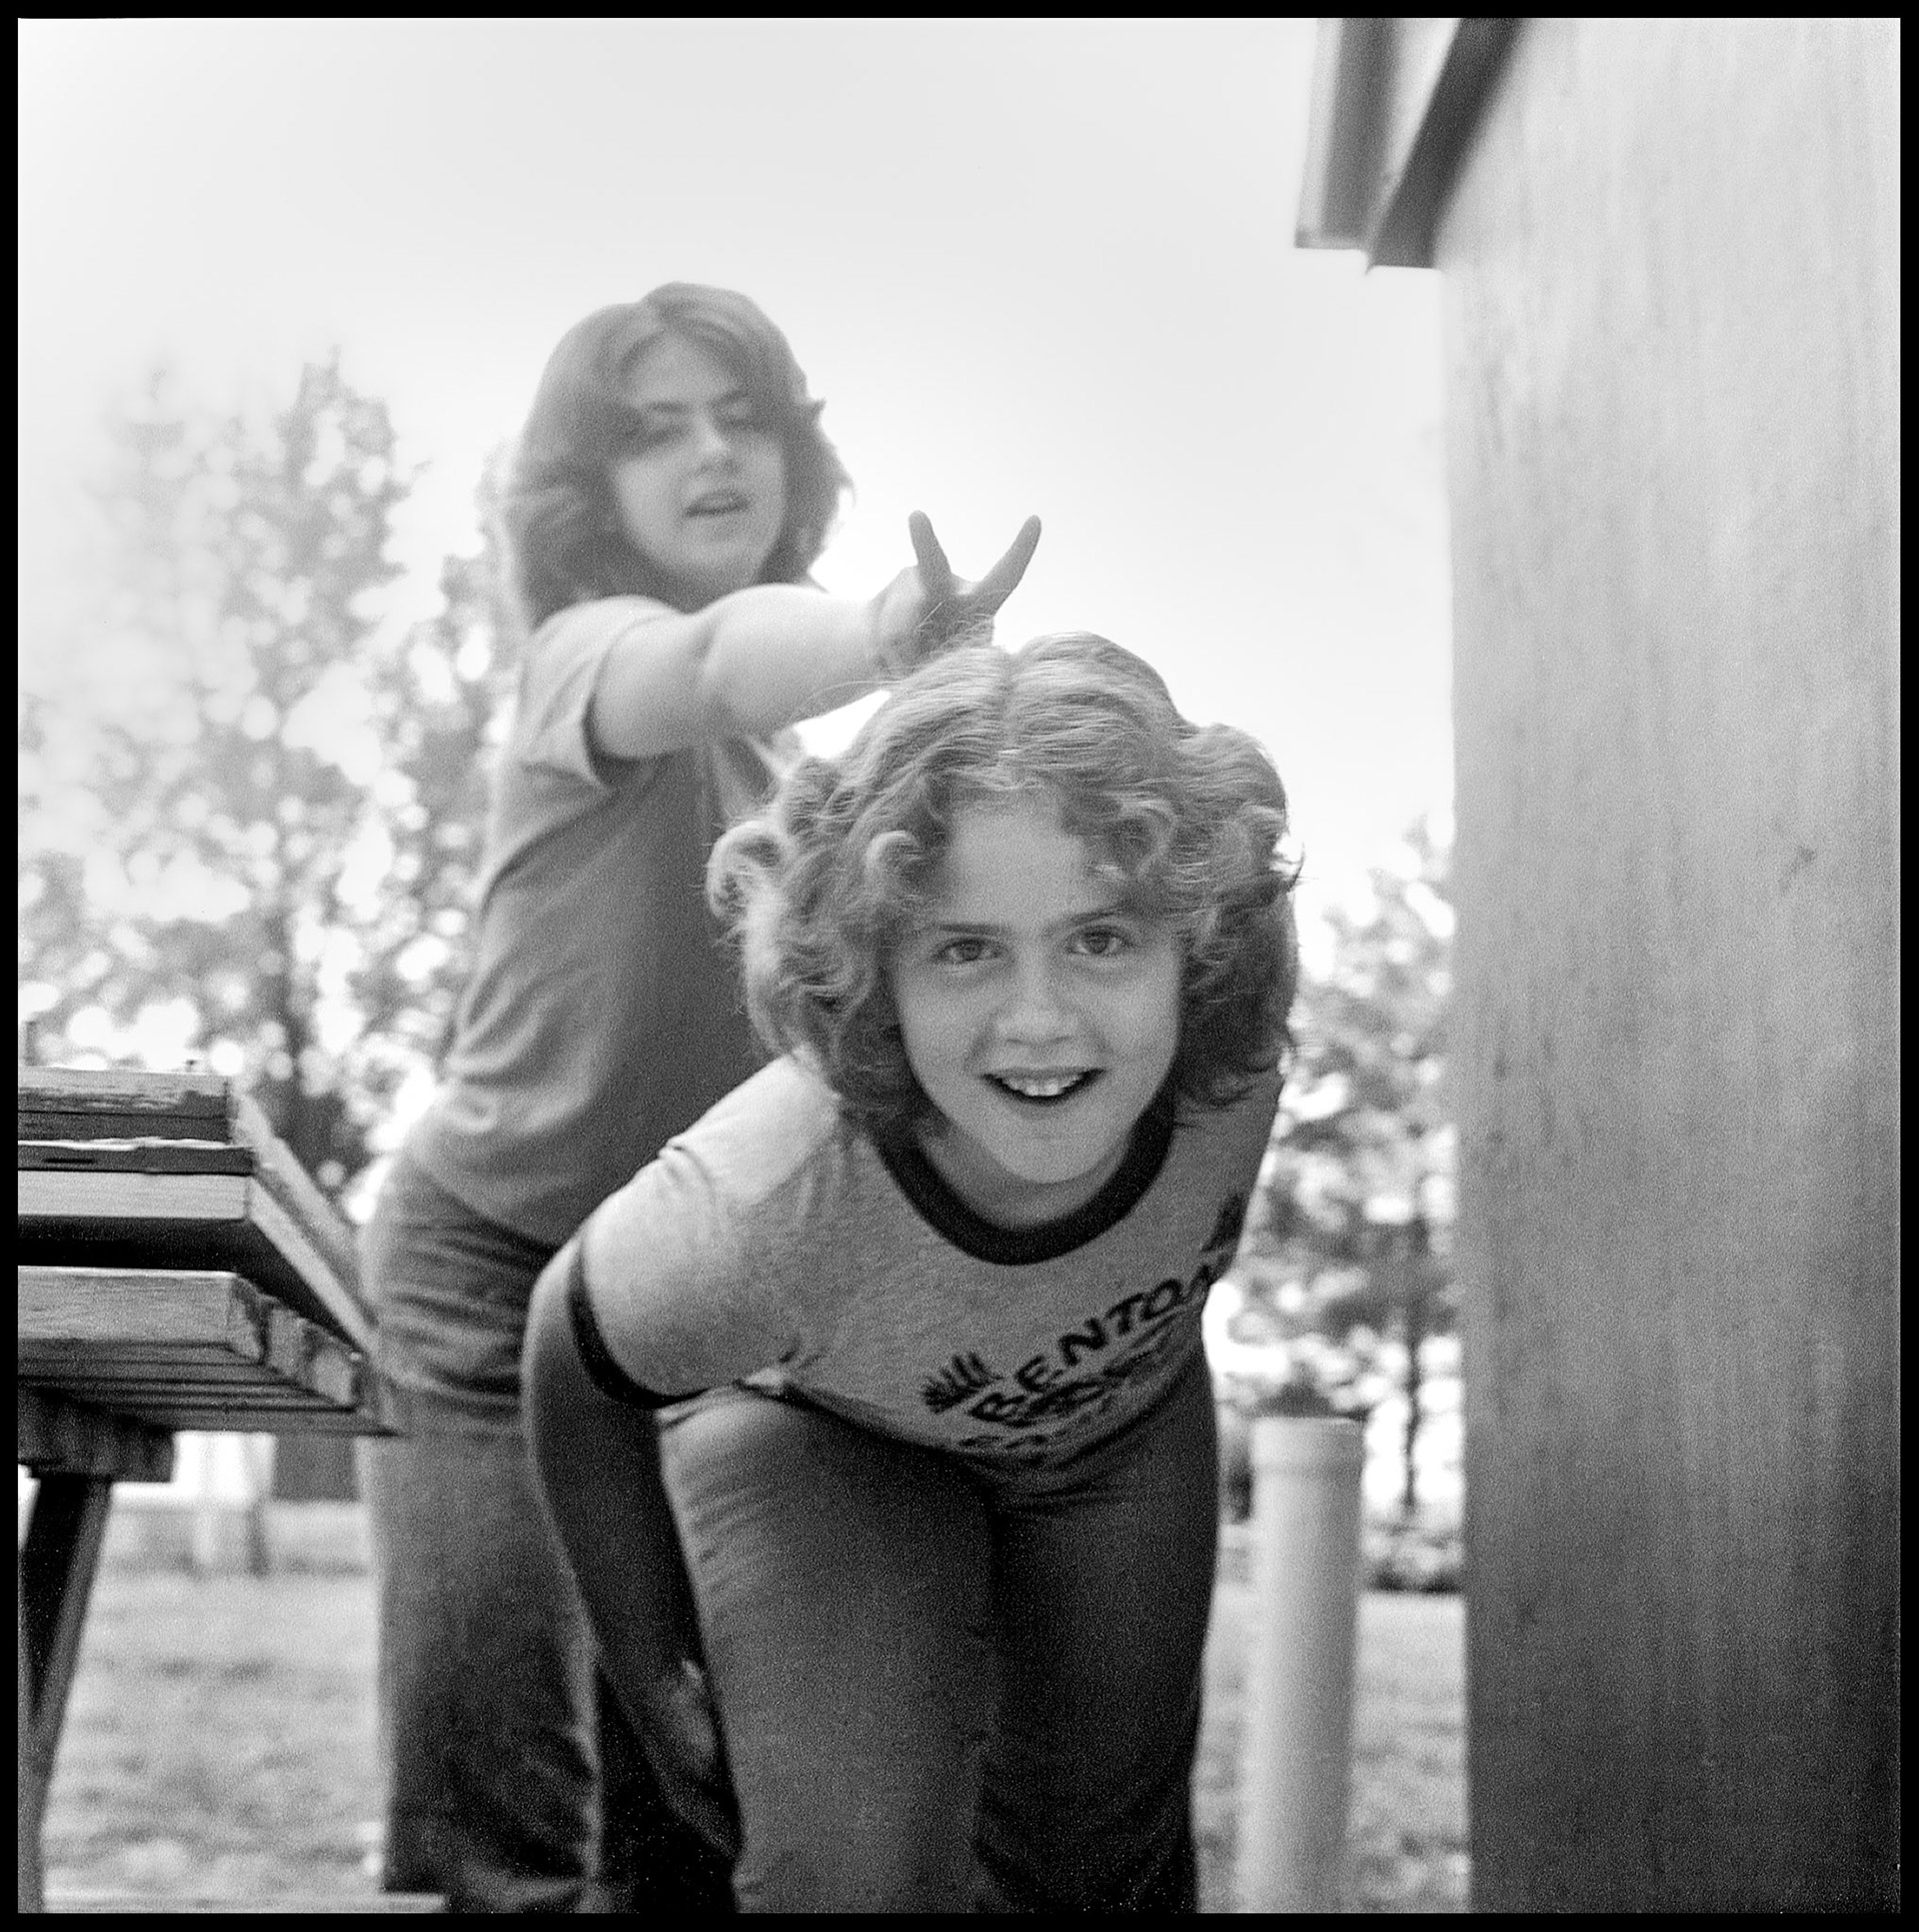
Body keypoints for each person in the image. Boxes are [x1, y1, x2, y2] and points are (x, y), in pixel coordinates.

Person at [355, 281, 1040, 1913]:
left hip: (682, 1298)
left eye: (741, 418)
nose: (711, 453)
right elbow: (721, 660)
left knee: (689, 1787)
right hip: (482, 1271)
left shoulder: (807, 798)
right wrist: (889, 632)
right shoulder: (585, 662)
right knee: (497, 1798)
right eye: (655, 430)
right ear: (591, 491)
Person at [523, 631, 1300, 1911]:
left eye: (1103, 938)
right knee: (854, 1867)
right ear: (873, 963)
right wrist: (648, 1665)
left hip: (1117, 1423)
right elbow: (571, 1355)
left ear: (1200, 947)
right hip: (825, 1427)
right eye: (965, 949)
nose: (1040, 1020)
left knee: (1097, 1864)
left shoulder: (1231, 1079)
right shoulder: (767, 1200)